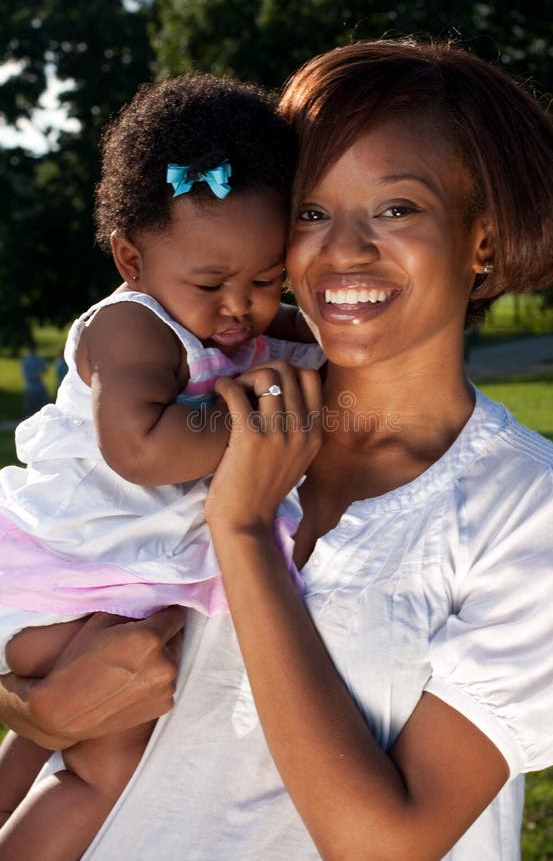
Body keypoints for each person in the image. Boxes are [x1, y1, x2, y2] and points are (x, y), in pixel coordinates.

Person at [1, 38, 553, 860]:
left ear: (484, 240)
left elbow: (383, 844)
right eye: (311, 213)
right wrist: (28, 708)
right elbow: (64, 581)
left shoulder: (536, 509)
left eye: (396, 209)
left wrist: (243, 528)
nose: (342, 249)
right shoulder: (202, 400)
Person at [0, 72, 322, 859]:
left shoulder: (221, 316)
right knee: (102, 774)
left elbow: (315, 344)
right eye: (211, 283)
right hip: (67, 576)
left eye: (264, 278)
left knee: (53, 732)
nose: (239, 309)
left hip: (110, 583)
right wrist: (260, 407)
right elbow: (140, 447)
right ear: (131, 260)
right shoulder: (132, 331)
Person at [20, 342, 49, 416]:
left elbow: (44, 370)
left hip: (39, 386)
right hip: (30, 386)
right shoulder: (26, 359)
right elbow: (26, 373)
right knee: (30, 409)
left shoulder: (39, 358)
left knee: (42, 407)